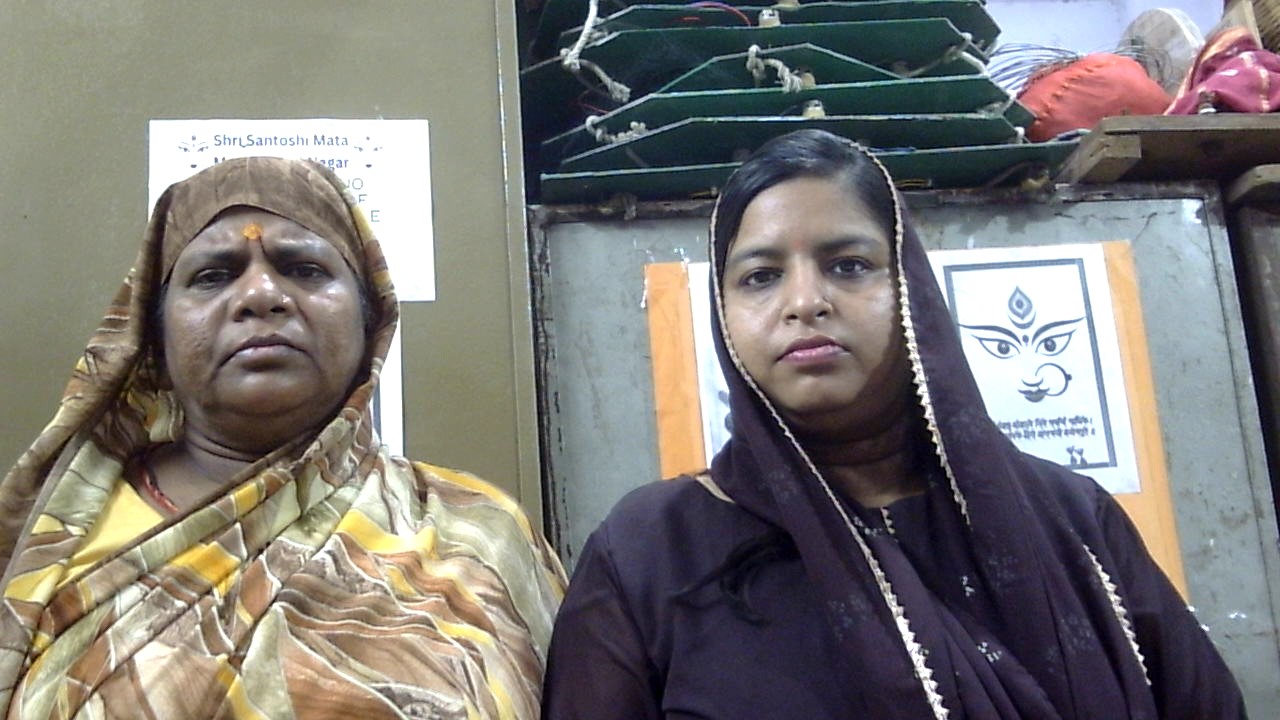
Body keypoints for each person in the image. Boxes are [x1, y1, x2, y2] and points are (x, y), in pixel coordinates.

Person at [541, 129, 1245, 719]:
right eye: (760, 276)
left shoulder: (1072, 521)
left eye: (849, 266)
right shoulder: (650, 552)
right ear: (723, 315)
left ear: (911, 290)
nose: (805, 301)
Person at [0, 157, 565, 719]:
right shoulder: (51, 539)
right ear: (156, 343)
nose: (261, 294)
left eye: (305, 269)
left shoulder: (478, 537)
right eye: (213, 276)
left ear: (369, 324)